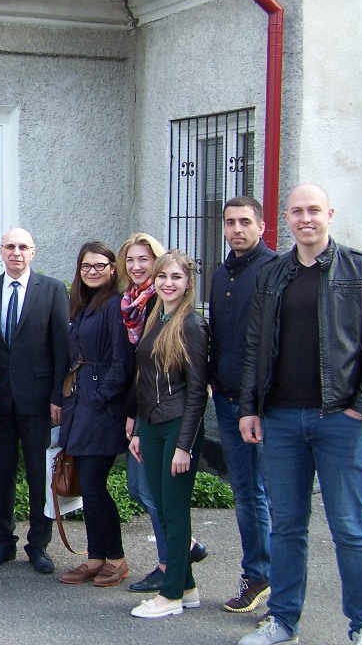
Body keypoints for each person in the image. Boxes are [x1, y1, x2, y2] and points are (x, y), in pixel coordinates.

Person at [238, 184, 362, 645]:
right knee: (287, 526)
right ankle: (283, 620)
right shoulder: (272, 274)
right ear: (286, 218)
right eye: (296, 211)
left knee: (350, 528)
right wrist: (250, 408)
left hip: (340, 421)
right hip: (281, 419)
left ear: (330, 214)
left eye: (314, 210)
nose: (305, 219)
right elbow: (255, 345)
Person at [0, 228, 69, 574]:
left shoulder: (53, 290)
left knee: (39, 474)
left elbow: (61, 347)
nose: (16, 252)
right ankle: (3, 541)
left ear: (33, 252)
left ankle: (38, 544)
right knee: (2, 473)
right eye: (10, 246)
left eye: (23, 247)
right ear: (1, 251)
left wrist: (58, 396)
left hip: (39, 400)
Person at [119, 233, 208, 593]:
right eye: (163, 277)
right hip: (151, 423)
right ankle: (185, 586)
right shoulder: (155, 317)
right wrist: (139, 428)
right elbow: (145, 377)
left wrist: (184, 445)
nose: (168, 283)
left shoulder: (192, 325)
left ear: (188, 284)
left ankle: (171, 592)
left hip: (177, 425)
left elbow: (197, 391)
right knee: (159, 502)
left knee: (173, 508)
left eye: (176, 277)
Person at [208, 197, 276, 613]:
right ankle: (258, 573)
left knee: (268, 494)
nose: (237, 229)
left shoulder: (275, 270)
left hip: (264, 405)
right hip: (227, 400)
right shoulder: (221, 274)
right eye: (230, 222)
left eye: (245, 222)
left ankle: (277, 583)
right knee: (246, 492)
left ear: (261, 226)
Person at [54, 241, 133, 588]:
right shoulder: (83, 305)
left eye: (100, 265)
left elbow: (122, 361)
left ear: (113, 269)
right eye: (86, 266)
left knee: (93, 485)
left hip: (102, 405)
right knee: (88, 486)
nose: (92, 272)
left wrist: (101, 398)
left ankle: (115, 558)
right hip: (81, 401)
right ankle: (96, 557)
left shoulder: (115, 304)